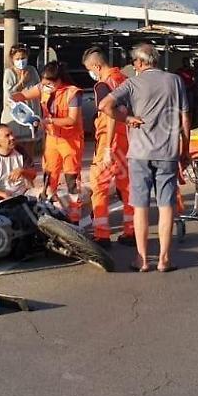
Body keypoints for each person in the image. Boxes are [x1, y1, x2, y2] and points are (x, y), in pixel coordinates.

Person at [99, 42, 190, 273]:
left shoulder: (132, 83)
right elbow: (185, 118)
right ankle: (164, 259)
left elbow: (104, 105)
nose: (134, 66)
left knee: (140, 206)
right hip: (168, 153)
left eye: (134, 62)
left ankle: (142, 260)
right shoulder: (175, 81)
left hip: (139, 154)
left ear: (140, 62)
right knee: (166, 206)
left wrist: (127, 119)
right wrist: (185, 150)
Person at [13, 61, 84, 225]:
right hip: (52, 139)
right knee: (49, 177)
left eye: (49, 83)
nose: (46, 86)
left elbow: (72, 120)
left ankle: (75, 218)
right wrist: (14, 98)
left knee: (72, 180)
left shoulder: (73, 93)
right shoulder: (43, 87)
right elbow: (23, 95)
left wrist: (49, 121)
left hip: (70, 141)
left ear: (59, 80)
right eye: (44, 83)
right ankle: (50, 211)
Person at [82, 46, 135, 246]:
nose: (91, 73)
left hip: (109, 141)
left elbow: (110, 113)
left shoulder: (102, 85)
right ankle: (131, 232)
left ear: (96, 66)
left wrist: (106, 150)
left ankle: (102, 234)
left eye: (90, 69)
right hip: (127, 140)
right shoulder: (124, 79)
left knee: (99, 187)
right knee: (127, 187)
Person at [0, 124, 38, 204]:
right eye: (7, 136)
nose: (12, 137)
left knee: (47, 191)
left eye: (12, 134)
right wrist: (3, 194)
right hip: (1, 197)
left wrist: (22, 171)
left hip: (24, 193)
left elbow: (33, 174)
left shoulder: (21, 151)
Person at [1, 44, 41, 148]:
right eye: (17, 59)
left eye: (23, 58)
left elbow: (39, 88)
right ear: (12, 59)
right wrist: (22, 82)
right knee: (15, 145)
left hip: (31, 113)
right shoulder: (9, 73)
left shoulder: (32, 70)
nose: (21, 61)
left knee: (30, 145)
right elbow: (10, 95)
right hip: (15, 115)